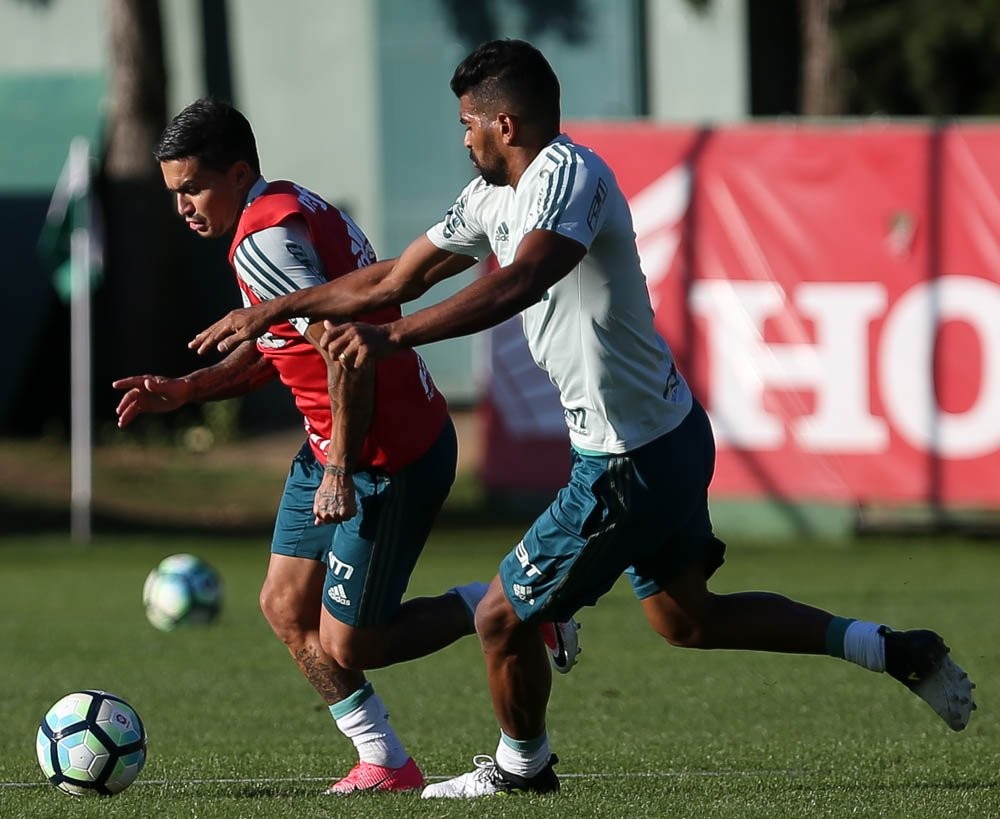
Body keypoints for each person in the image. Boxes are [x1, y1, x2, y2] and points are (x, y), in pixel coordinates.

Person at [189, 41, 976, 799]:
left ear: (505, 124)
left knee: (502, 618)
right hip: (661, 439)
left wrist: (392, 336)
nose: (460, 137)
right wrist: (280, 309)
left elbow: (523, 280)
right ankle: (895, 649)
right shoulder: (488, 195)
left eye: (467, 123)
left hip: (627, 459)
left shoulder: (569, 175)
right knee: (687, 620)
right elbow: (396, 274)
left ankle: (520, 766)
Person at [112, 97, 579, 796]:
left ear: (238, 173)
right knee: (283, 606)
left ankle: (522, 607)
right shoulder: (284, 208)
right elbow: (284, 347)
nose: (183, 207)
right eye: (174, 193)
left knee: (354, 642)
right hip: (338, 445)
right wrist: (190, 389)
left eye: (192, 189)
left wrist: (339, 469)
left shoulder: (262, 243)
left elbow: (345, 354)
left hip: (384, 455)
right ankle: (383, 758)